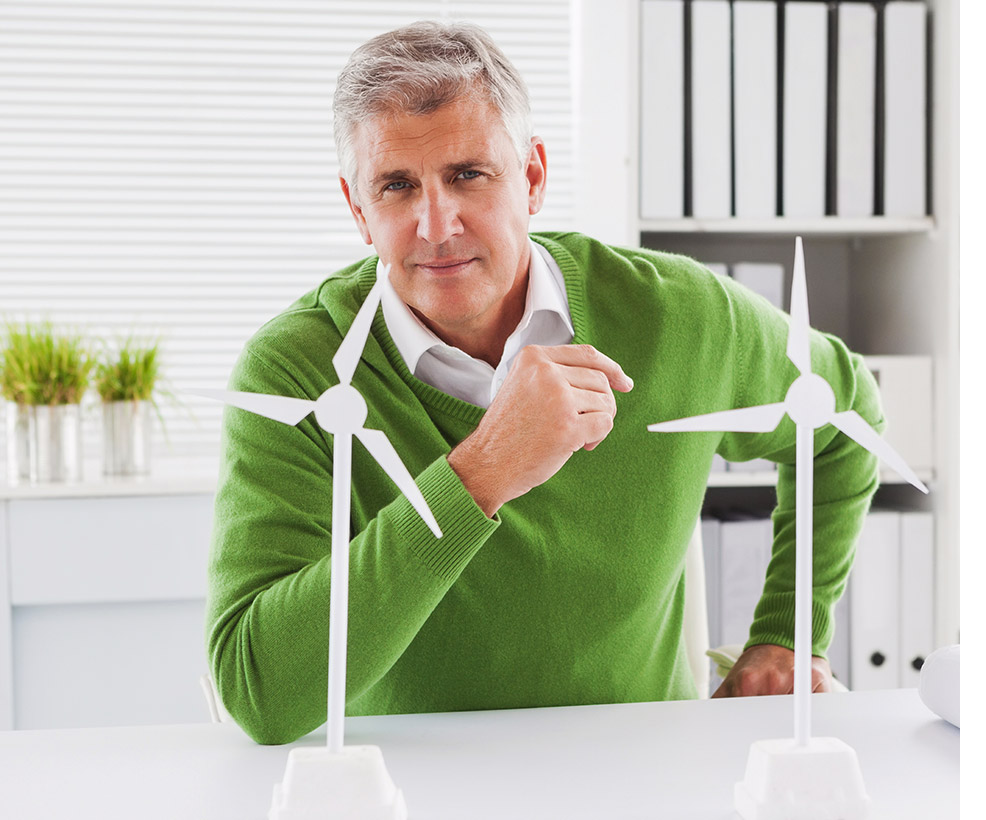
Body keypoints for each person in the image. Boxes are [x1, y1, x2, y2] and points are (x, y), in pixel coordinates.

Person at [205, 20, 883, 745]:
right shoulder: (296, 372)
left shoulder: (678, 315)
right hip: (406, 788)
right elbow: (259, 693)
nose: (436, 225)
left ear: (531, 178)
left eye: (468, 175)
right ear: (358, 209)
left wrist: (789, 630)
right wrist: (481, 473)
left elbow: (845, 420)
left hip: (644, 778)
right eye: (397, 187)